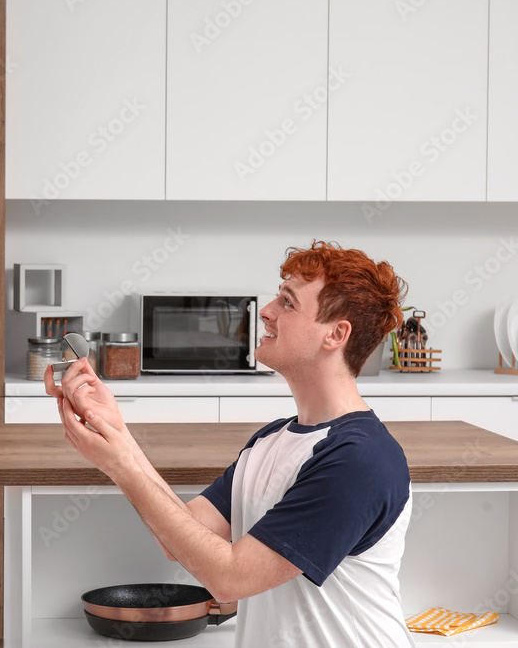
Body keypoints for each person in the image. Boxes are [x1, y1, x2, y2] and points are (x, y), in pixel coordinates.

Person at [45, 241, 414, 647]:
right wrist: (115, 431)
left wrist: (121, 465)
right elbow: (179, 539)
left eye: (288, 303)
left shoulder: (359, 459)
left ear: (335, 334)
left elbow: (230, 577)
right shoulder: (270, 441)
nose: (268, 311)